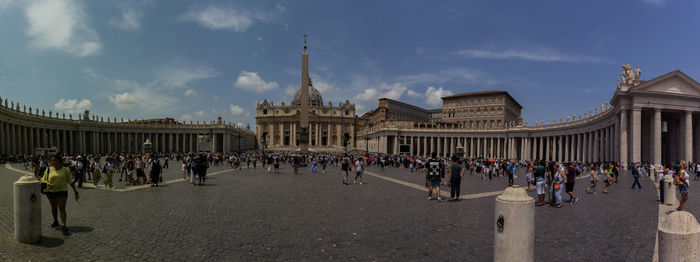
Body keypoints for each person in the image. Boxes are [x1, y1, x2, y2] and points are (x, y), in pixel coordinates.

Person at [41, 154, 80, 232]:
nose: (52, 162)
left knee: (62, 208)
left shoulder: (65, 170)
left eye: (54, 160)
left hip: (62, 191)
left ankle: (63, 224)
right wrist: (47, 183)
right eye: (51, 160)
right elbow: (43, 179)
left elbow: (70, 181)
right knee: (54, 208)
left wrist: (75, 191)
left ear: (59, 161)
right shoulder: (48, 169)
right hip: (51, 191)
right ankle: (55, 221)